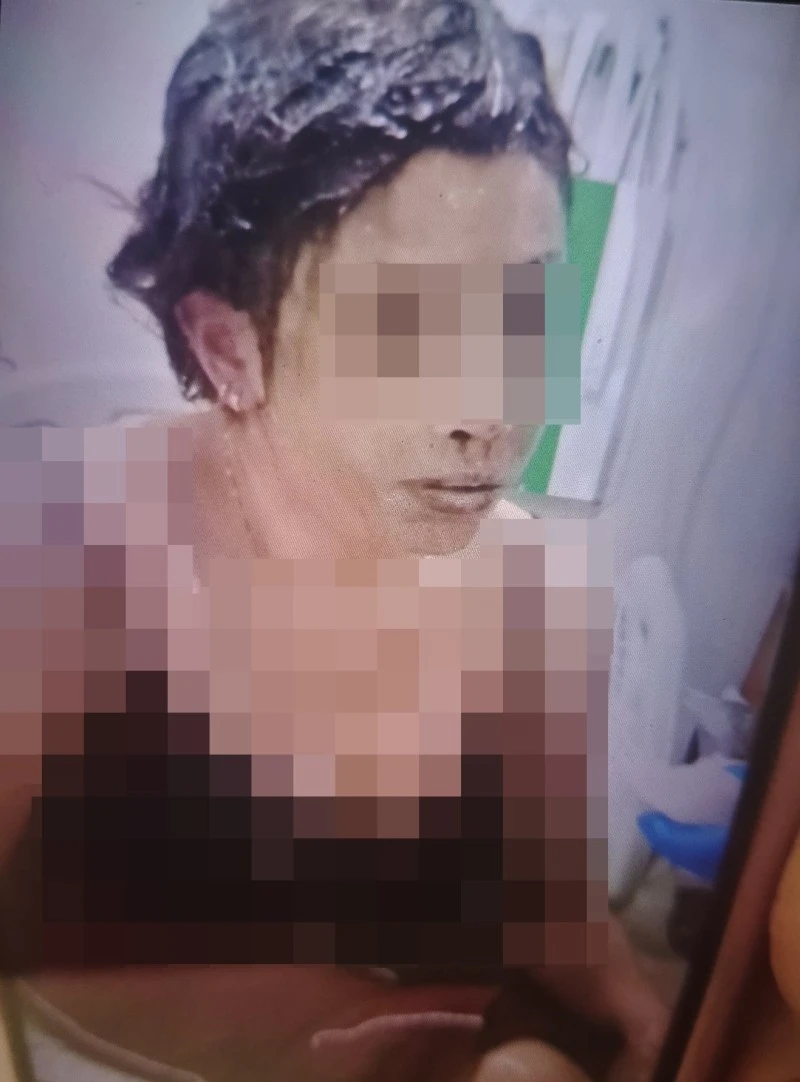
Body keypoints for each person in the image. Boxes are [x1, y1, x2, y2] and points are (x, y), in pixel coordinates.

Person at [0, 0, 668, 1079]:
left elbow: (543, 899)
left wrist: (642, 1020)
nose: (497, 408)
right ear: (230, 349)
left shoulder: (525, 592)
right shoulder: (61, 566)